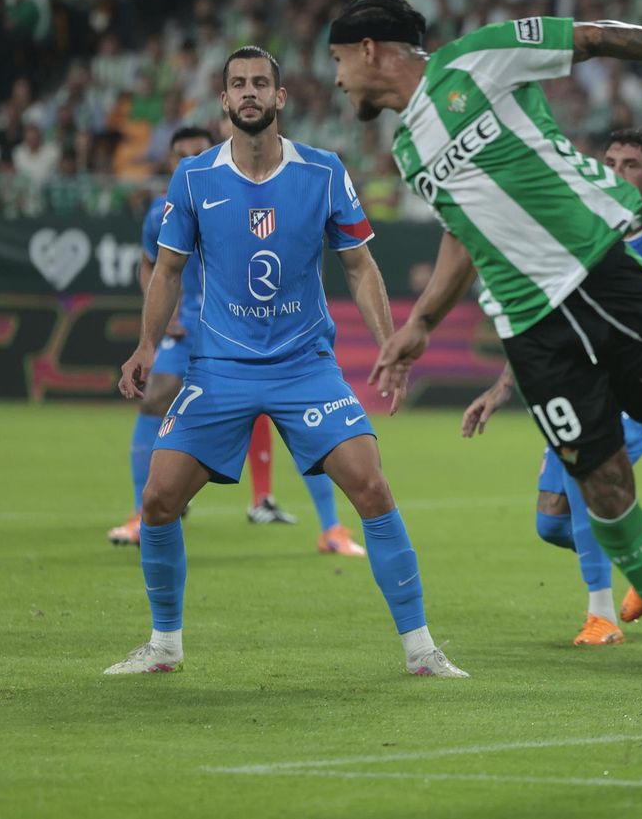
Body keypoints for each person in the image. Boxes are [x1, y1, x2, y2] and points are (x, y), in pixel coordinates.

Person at [330, 0, 642, 716]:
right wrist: (423, 321)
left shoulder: (478, 59)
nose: (338, 79)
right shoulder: (406, 148)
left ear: (369, 48)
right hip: (533, 329)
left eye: (338, 60)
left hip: (607, 276)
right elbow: (463, 232)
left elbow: (595, 34)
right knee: (602, 486)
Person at [106, 45, 464, 678]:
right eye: (237, 84)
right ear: (223, 101)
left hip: (305, 365)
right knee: (159, 499)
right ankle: (164, 645)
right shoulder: (194, 178)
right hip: (219, 366)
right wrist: (146, 345)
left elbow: (359, 264)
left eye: (260, 83)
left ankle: (422, 649)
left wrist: (390, 341)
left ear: (280, 98)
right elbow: (167, 270)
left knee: (372, 487)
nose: (249, 93)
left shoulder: (324, 172)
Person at [461, 127, 642, 647]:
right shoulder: (576, 231)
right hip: (574, 379)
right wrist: (502, 388)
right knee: (552, 525)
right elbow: (542, 320)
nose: (615, 172)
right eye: (608, 160)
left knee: (585, 480)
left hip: (639, 383)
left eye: (630, 164)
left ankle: (601, 615)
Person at [108, 126, 364, 556]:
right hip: (189, 325)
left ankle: (326, 525)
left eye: (195, 150)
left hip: (250, 330)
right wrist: (158, 321)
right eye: (179, 154)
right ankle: (141, 512)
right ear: (171, 162)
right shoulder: (165, 208)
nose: (188, 158)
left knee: (302, 422)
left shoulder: (249, 188)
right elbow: (152, 266)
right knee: (155, 399)